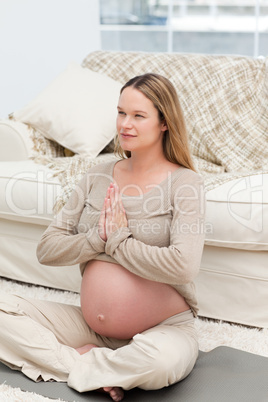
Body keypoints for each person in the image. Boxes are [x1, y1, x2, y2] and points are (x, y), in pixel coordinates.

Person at [0, 73, 205, 401]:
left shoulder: (185, 184)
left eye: (138, 116)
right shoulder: (96, 175)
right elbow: (47, 249)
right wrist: (98, 238)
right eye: (121, 112)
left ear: (164, 122)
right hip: (90, 327)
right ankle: (98, 366)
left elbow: (183, 267)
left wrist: (120, 240)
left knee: (159, 362)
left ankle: (86, 364)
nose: (125, 124)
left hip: (162, 330)